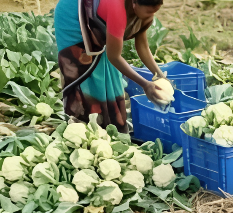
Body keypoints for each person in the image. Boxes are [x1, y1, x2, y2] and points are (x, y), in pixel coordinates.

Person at [54, 0, 169, 132]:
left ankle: (110, 122)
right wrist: (145, 85)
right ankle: (84, 125)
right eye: (149, 11)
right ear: (134, 3)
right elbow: (114, 56)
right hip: (72, 14)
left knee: (106, 70)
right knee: (83, 69)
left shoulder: (143, 12)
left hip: (96, 12)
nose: (152, 15)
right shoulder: (117, 10)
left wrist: (159, 75)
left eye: (155, 11)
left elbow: (142, 46)